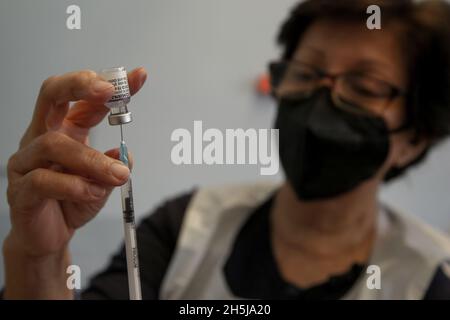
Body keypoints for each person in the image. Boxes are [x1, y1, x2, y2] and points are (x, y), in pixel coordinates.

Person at [3, 0, 450, 300]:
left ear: (416, 138)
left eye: (364, 86)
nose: (320, 103)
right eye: (306, 73)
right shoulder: (186, 227)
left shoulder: (431, 278)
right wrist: (38, 256)